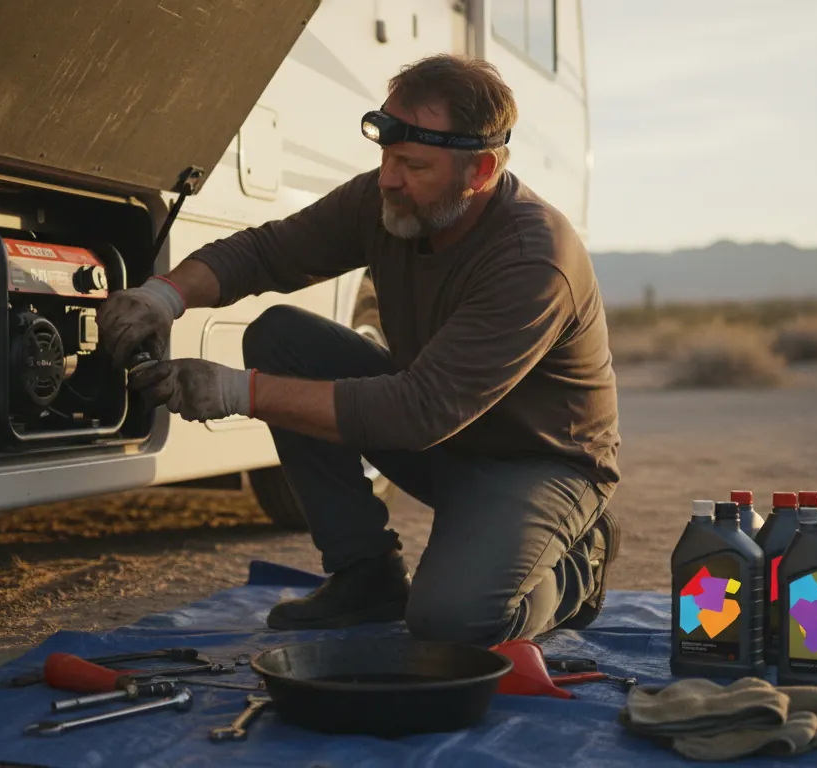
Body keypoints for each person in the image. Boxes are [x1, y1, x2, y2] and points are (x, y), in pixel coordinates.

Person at [97, 54, 621, 646]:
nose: (389, 179)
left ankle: (581, 562)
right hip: (446, 440)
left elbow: (417, 411)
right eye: (386, 158)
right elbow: (266, 253)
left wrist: (233, 392)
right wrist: (162, 295)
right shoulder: (387, 199)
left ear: (480, 170)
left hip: (536, 463)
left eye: (413, 165)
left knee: (453, 623)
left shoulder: (531, 258)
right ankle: (365, 574)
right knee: (281, 338)